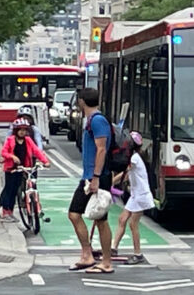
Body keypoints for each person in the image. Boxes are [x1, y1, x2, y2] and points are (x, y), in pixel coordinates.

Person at [68, 88, 114, 274]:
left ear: (81, 102)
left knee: (93, 218)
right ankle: (88, 255)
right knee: (86, 216)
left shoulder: (97, 120)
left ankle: (105, 262)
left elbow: (101, 149)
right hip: (90, 175)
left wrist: (95, 177)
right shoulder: (92, 120)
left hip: (96, 177)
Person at [111, 131, 155, 264]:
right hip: (135, 195)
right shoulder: (134, 157)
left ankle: (138, 254)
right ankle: (113, 248)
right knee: (122, 219)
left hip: (141, 196)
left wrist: (110, 182)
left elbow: (124, 173)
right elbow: (126, 177)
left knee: (133, 224)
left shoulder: (134, 158)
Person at [0, 118, 49, 223]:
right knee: (9, 190)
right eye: (20, 130)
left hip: (23, 168)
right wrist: (12, 157)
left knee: (17, 189)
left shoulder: (28, 140)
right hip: (11, 169)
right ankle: (5, 212)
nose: (22, 132)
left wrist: (45, 161)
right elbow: (4, 152)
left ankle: (11, 212)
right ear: (16, 131)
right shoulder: (10, 140)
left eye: (24, 130)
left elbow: (36, 150)